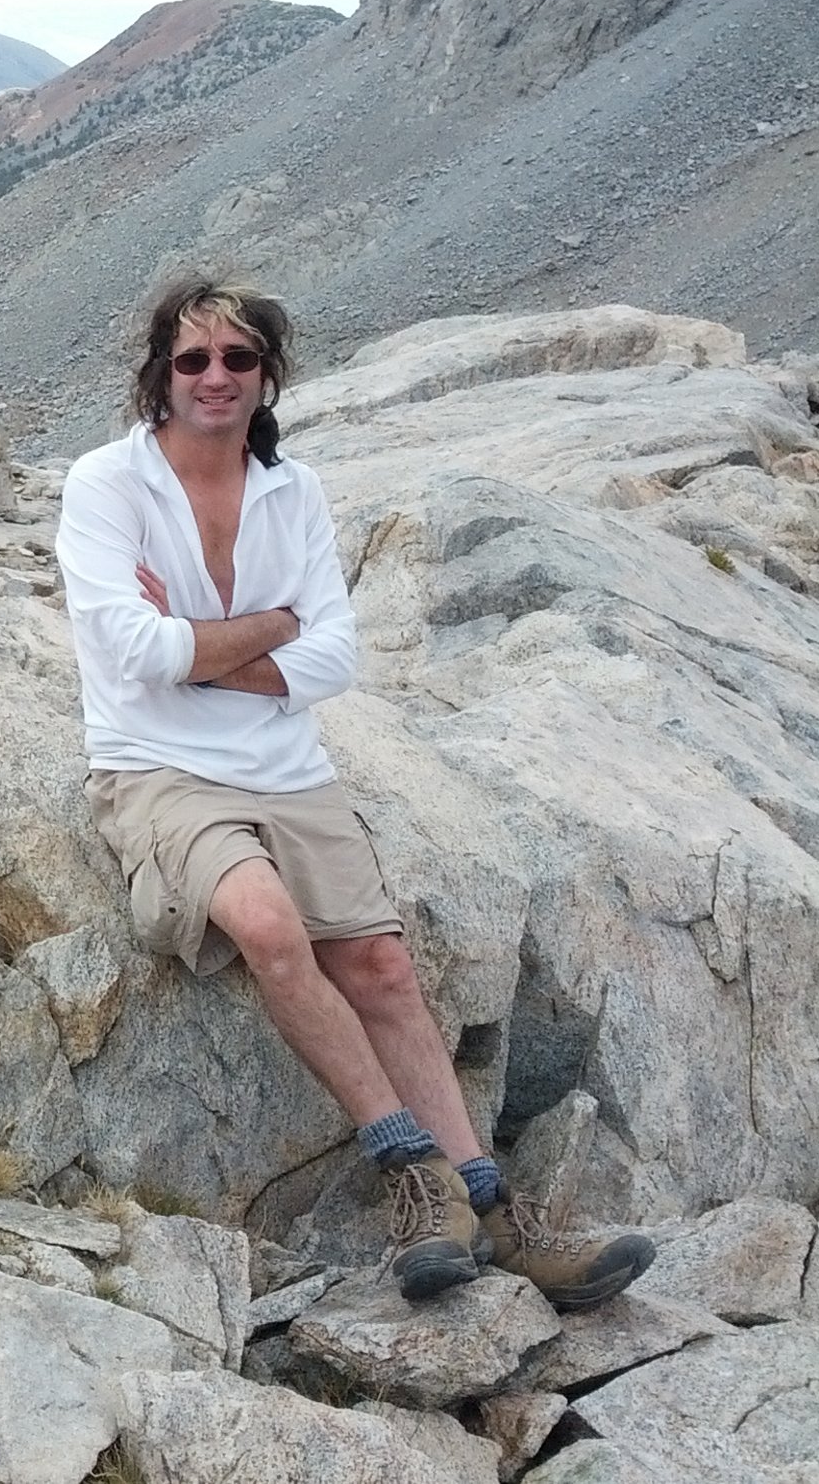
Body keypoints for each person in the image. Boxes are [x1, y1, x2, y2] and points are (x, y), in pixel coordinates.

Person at [54, 277, 653, 1309]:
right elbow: (136, 652)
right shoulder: (107, 484)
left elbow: (336, 660)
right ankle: (411, 1170)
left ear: (267, 375)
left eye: (237, 359)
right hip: (157, 767)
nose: (214, 377)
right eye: (192, 358)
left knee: (377, 962)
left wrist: (207, 650)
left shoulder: (296, 494)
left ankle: (488, 1204)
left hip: (286, 765)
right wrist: (274, 625)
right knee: (265, 924)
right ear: (159, 371)